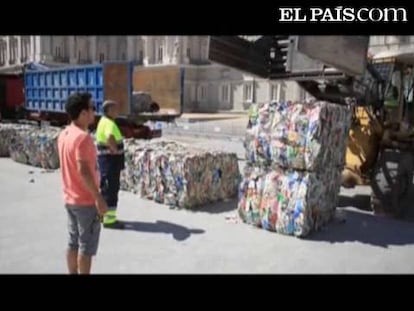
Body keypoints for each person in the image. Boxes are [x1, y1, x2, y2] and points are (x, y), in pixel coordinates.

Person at [57, 92, 108, 274]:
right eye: (92, 108)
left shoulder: (64, 134)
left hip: (70, 199)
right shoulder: (83, 138)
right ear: (82, 113)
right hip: (86, 201)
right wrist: (99, 198)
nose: (94, 111)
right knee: (86, 246)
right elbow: (83, 170)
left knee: (73, 242)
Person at [96, 100, 125, 229]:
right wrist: (114, 150)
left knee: (105, 189)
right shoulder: (109, 124)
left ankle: (102, 215)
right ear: (108, 110)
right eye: (115, 108)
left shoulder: (103, 121)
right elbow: (109, 137)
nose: (117, 111)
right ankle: (109, 220)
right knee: (111, 190)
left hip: (105, 161)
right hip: (111, 162)